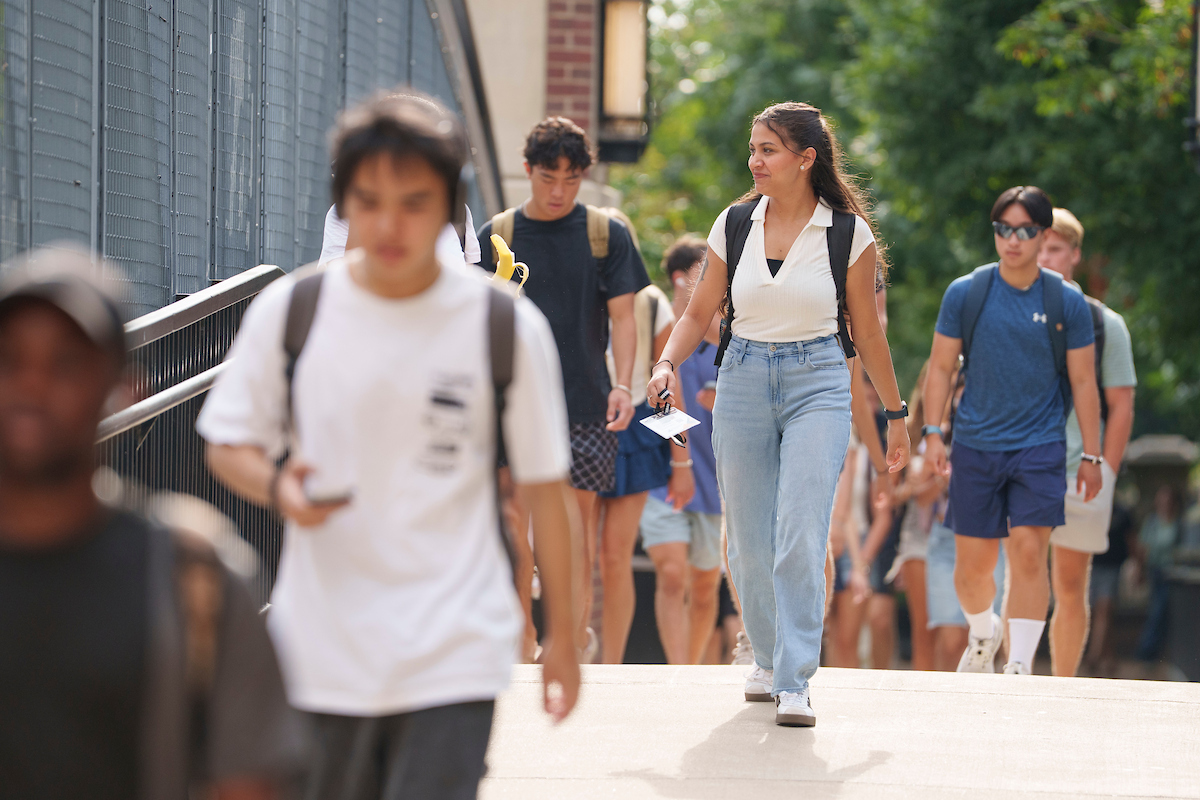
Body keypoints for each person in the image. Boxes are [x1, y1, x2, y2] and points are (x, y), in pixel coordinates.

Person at [198, 92, 580, 800]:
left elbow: (546, 492)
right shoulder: (294, 311)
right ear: (343, 206)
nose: (389, 224)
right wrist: (278, 486)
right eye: (368, 202)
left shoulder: (503, 326)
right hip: (323, 651)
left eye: (414, 202)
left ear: (450, 208)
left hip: (454, 649)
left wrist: (563, 634)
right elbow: (227, 442)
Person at [0, 247, 307, 800]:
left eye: (66, 364)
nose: (32, 385)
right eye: (9, 360)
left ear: (124, 389)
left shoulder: (193, 573)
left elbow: (248, 781)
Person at [649, 102, 910, 727]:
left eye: (767, 150)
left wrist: (895, 413)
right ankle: (765, 659)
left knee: (800, 530)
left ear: (805, 158)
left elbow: (868, 333)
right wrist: (664, 364)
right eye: (753, 149)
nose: (754, 161)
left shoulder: (846, 233)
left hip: (819, 380)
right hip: (741, 377)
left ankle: (795, 679)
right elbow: (697, 312)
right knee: (746, 538)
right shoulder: (734, 223)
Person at [479, 117, 650, 662]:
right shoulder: (498, 234)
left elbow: (624, 319)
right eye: (548, 177)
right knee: (513, 522)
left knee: (575, 530)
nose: (558, 191)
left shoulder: (606, 235)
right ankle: (523, 638)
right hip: (510, 402)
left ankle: (567, 643)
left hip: (586, 401)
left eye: (571, 180)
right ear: (527, 170)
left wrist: (622, 384)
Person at [923, 185, 1103, 676]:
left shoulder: (1066, 301)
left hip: (1040, 445)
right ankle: (984, 633)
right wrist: (933, 433)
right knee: (972, 570)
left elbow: (1084, 382)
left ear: (1043, 234)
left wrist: (1092, 456)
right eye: (1004, 229)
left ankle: (1019, 665)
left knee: (1028, 553)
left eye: (1025, 231)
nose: (1013, 240)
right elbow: (940, 368)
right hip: (975, 445)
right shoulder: (967, 292)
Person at [1037, 207, 1136, 677]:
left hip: (1082, 472)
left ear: (1075, 255)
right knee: (1022, 576)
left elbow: (1122, 405)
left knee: (1071, 584)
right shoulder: (1010, 313)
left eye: (1055, 248)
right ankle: (1017, 680)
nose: (1044, 257)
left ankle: (1062, 688)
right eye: (1038, 247)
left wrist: (1107, 470)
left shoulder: (1105, 324)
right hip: (1024, 466)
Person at [638, 236, 724, 665]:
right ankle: (677, 670)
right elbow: (662, 406)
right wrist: (680, 463)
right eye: (701, 274)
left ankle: (690, 670)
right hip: (663, 478)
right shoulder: (657, 333)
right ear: (679, 279)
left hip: (714, 483)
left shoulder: (722, 337)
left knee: (705, 587)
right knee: (672, 575)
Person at [1082, 498, 1134, 676]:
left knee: (1103, 611)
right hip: (1091, 567)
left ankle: (1093, 657)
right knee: (1101, 614)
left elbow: (1131, 540)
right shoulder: (1090, 507)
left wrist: (1139, 566)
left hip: (1112, 569)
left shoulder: (1122, 513)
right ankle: (1110, 658)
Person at [1134, 485, 1182, 662]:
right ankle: (1145, 652)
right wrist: (1139, 570)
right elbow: (1143, 547)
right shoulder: (1152, 522)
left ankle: (1155, 652)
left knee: (1166, 613)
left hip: (1174, 574)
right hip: (1156, 572)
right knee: (1157, 611)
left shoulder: (1179, 523)